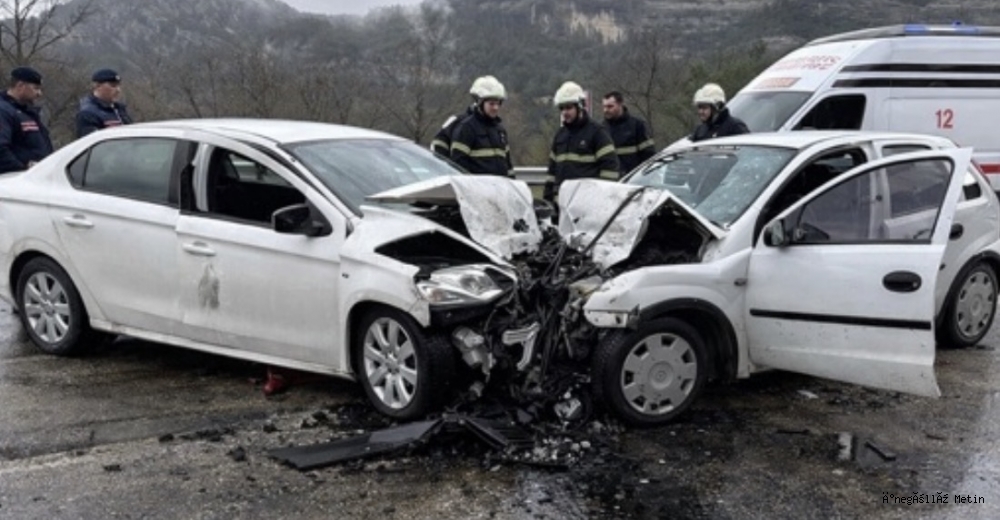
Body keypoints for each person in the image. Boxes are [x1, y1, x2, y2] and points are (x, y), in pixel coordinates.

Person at [544, 81, 619, 203]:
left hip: (588, 205)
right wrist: (548, 200)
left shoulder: (597, 132)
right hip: (563, 205)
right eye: (561, 108)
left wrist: (600, 198)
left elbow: (610, 169)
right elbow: (552, 172)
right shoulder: (560, 135)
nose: (564, 112)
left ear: (580, 106)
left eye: (569, 107)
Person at [449, 75, 512, 177]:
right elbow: (458, 163)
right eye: (491, 104)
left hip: (500, 189)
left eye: (498, 103)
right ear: (480, 103)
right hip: (477, 190)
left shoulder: (500, 131)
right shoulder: (467, 128)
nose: (496, 107)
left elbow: (508, 165)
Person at [0, 66, 53, 174]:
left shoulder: (28, 112)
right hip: (15, 182)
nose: (39, 93)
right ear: (20, 86)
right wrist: (22, 171)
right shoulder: (4, 111)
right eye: (36, 88)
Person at [602, 91, 654, 175]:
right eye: (604, 107)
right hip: (610, 180)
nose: (606, 110)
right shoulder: (601, 128)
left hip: (633, 178)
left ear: (620, 104)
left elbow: (649, 155)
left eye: (610, 106)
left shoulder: (637, 125)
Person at [76, 68, 133, 138]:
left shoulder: (120, 109)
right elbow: (93, 142)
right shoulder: (88, 113)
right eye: (113, 86)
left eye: (118, 86)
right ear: (97, 86)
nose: (118, 90)